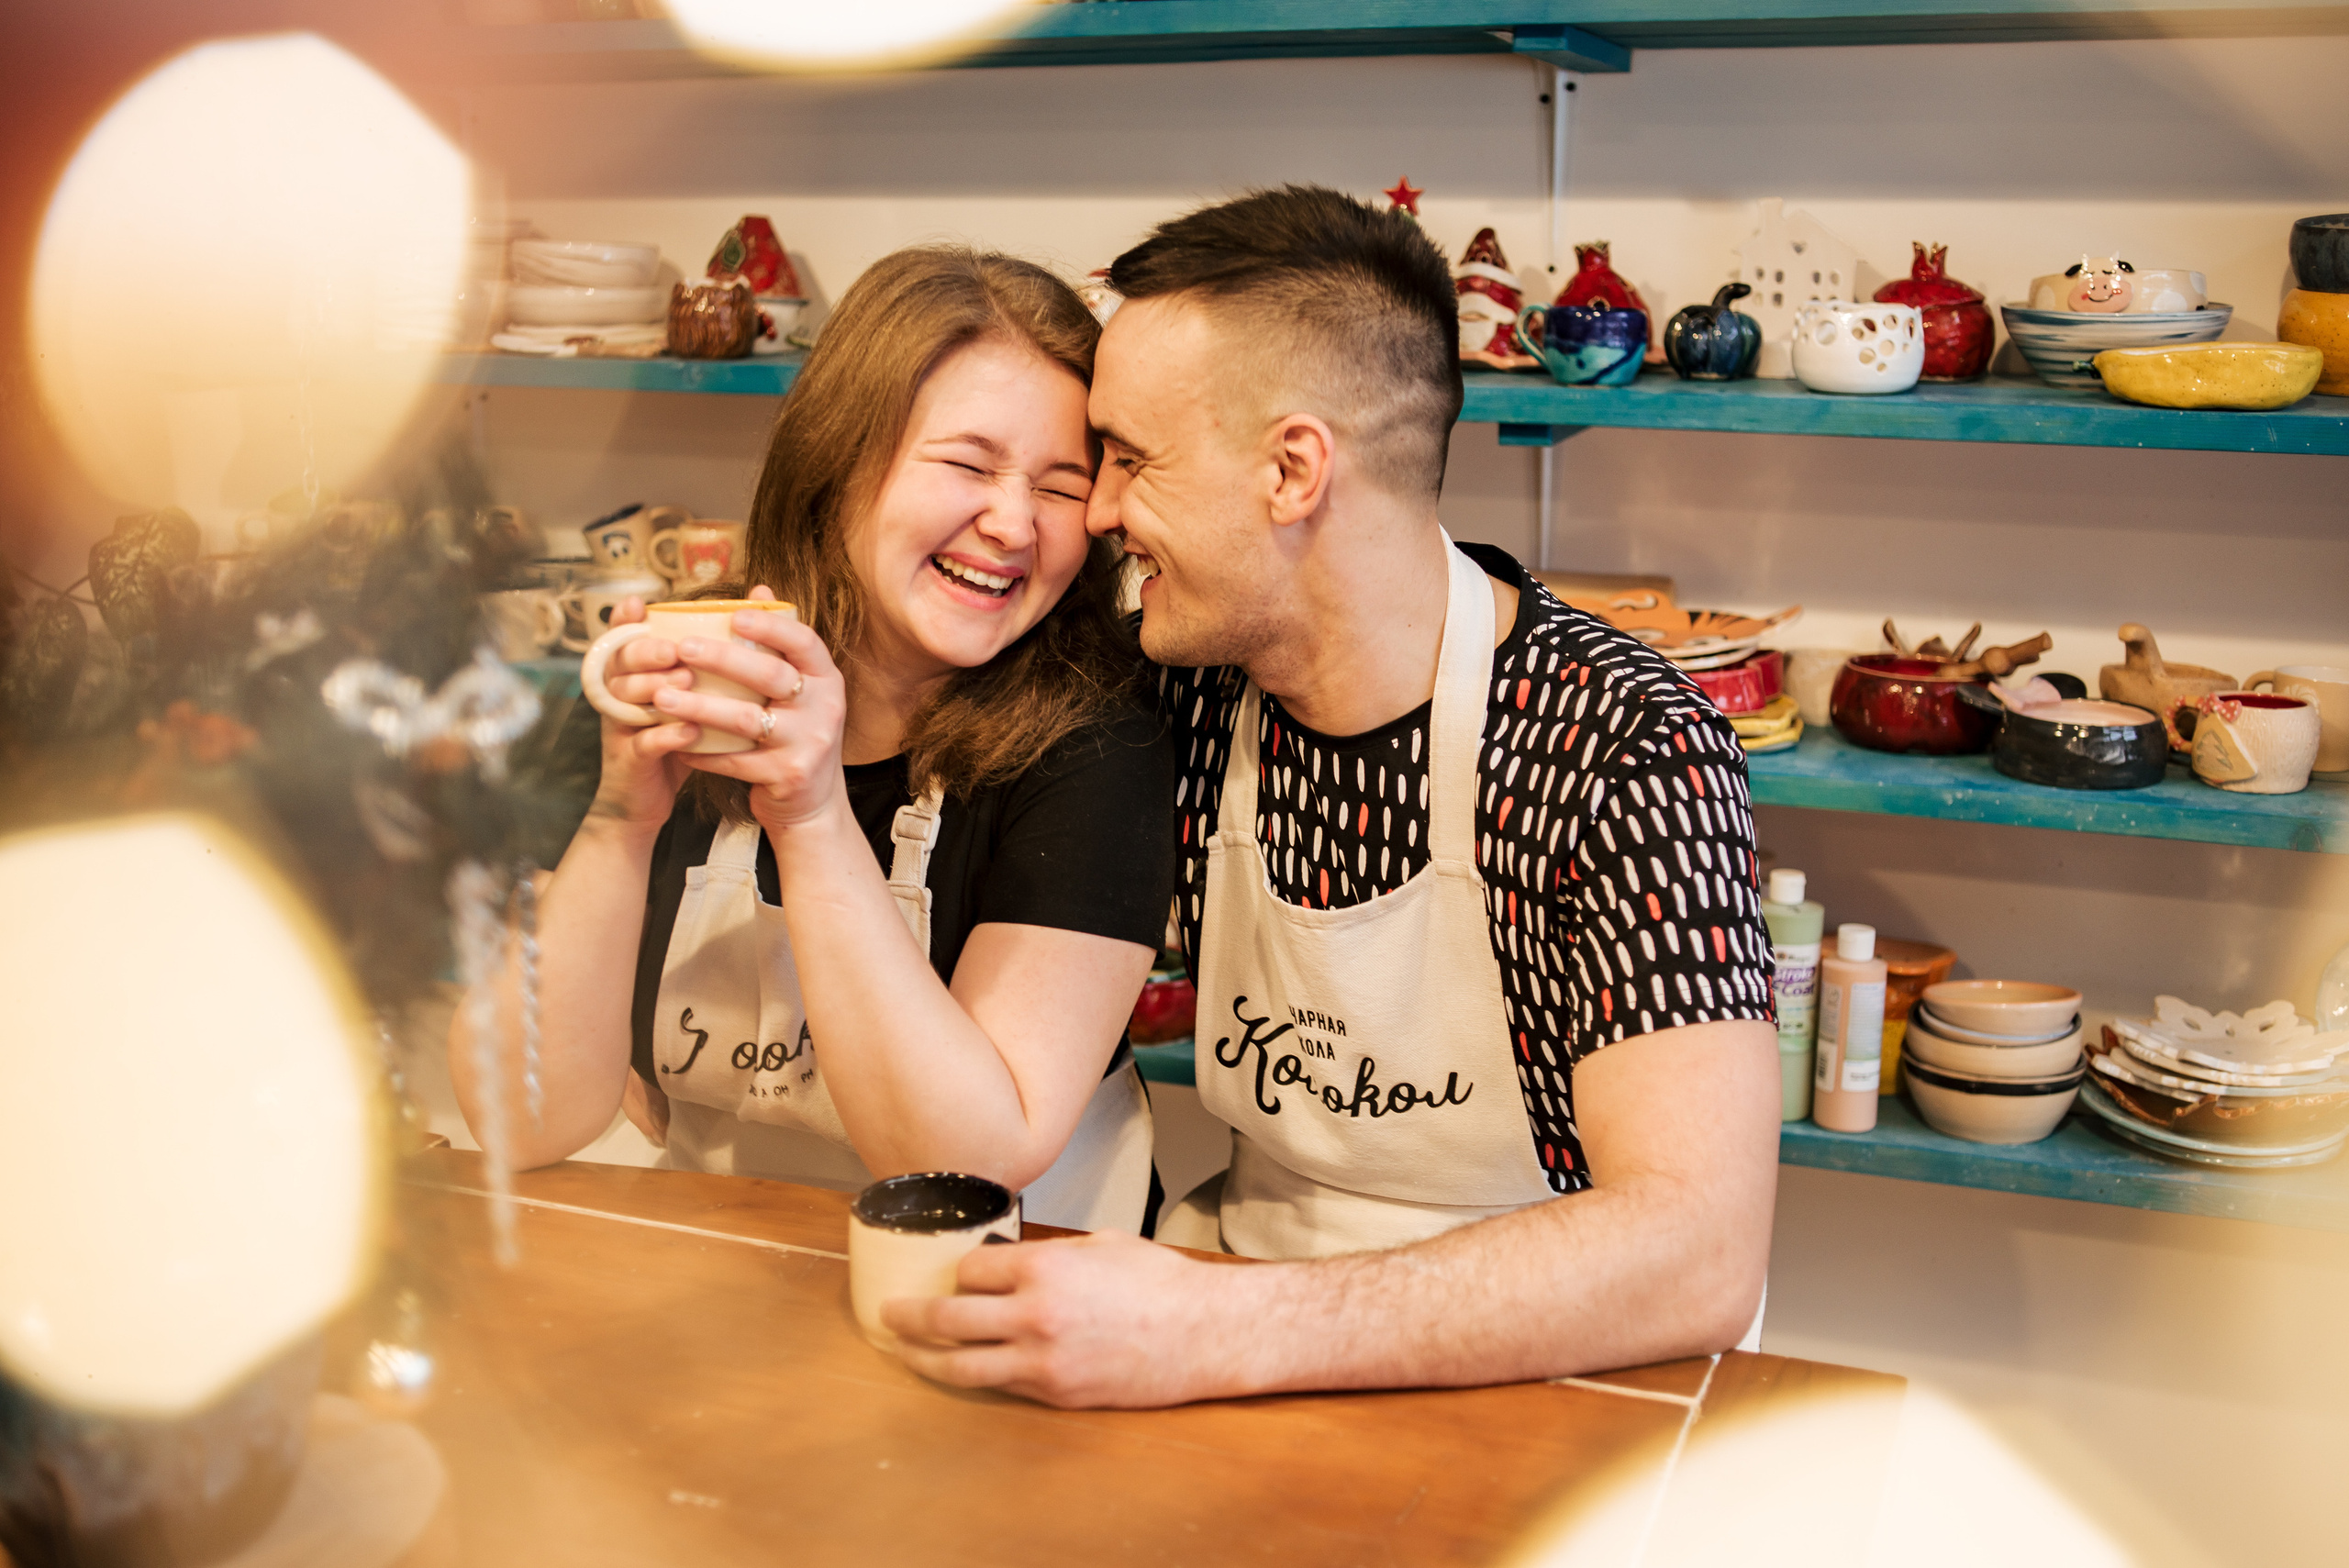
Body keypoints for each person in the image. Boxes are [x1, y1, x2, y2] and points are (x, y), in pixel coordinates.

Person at [885, 187, 1782, 1404]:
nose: (1097, 512)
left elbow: (1697, 1248)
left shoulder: (1624, 744)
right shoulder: (1175, 688)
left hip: (1554, 1372)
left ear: (1293, 469)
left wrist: (1222, 1328)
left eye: (1131, 459)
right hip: (1240, 1307)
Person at [452, 248, 1175, 1234]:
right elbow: (521, 1116)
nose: (1012, 523)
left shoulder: (1096, 740)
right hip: (732, 1273)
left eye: (1060, 486)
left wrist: (811, 816)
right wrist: (621, 817)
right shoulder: (686, 674)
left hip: (1009, 1284)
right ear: (837, 459)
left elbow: (970, 1160)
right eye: (968, 464)